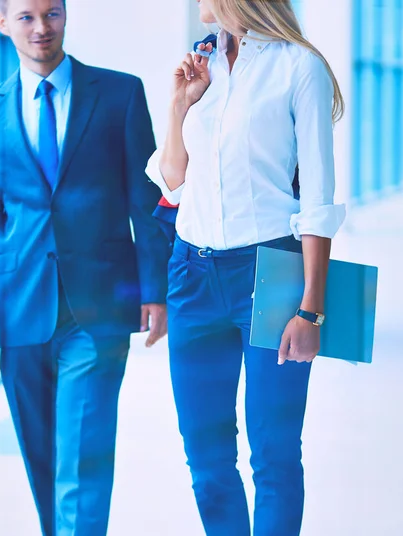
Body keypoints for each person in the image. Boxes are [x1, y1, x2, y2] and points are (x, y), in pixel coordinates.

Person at [0, 0, 169, 534]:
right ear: (2, 23)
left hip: (99, 307)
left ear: (67, 15)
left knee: (84, 457)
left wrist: (155, 289)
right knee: (44, 458)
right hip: (21, 305)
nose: (41, 28)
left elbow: (144, 202)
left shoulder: (120, 94)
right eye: (25, 17)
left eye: (51, 13)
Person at [145, 0, 346, 534]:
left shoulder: (299, 67)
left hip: (270, 272)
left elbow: (319, 202)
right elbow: (171, 179)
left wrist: (313, 312)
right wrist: (179, 105)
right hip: (191, 272)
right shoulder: (199, 63)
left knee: (274, 454)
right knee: (206, 458)